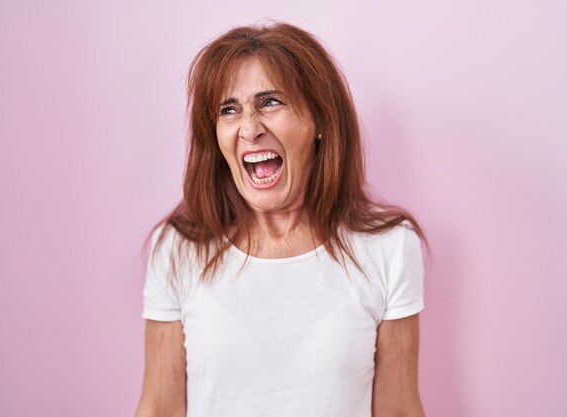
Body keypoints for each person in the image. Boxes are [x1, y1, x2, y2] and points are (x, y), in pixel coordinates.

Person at [136, 22, 428, 417]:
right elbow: (158, 409)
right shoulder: (178, 248)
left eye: (270, 102)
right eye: (229, 110)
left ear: (320, 121)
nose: (249, 128)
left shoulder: (389, 246)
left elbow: (398, 411)